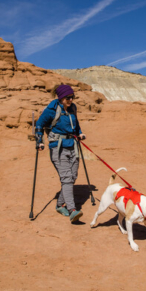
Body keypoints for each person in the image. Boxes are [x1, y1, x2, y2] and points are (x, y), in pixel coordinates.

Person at [35, 84, 86, 223]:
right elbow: (39, 124)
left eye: (72, 97)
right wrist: (39, 141)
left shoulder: (73, 108)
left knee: (73, 176)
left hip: (73, 146)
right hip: (58, 148)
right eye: (68, 98)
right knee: (66, 178)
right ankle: (72, 210)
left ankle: (59, 204)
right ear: (61, 98)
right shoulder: (52, 109)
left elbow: (76, 124)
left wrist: (80, 133)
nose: (70, 100)